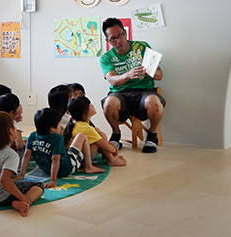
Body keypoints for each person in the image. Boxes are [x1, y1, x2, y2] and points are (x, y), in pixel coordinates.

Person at [99, 17, 164, 153]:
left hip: (145, 91)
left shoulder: (143, 47)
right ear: (107, 41)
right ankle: (116, 135)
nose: (118, 40)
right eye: (113, 38)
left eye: (120, 35)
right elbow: (112, 80)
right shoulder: (106, 57)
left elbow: (159, 75)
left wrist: (150, 72)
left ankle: (152, 136)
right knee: (109, 104)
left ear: (125, 33)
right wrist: (127, 75)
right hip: (120, 93)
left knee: (154, 102)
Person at [0, 112, 44, 216]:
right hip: (0, 198)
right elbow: (4, 179)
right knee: (38, 186)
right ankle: (24, 201)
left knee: (14, 183)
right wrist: (22, 196)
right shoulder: (11, 154)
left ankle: (19, 201)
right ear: (11, 132)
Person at [22, 108, 103, 189]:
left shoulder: (32, 135)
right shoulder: (57, 138)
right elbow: (55, 159)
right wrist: (53, 180)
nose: (59, 127)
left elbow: (26, 155)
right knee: (81, 136)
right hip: (67, 168)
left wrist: (22, 175)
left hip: (46, 169)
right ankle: (89, 166)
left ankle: (88, 166)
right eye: (59, 124)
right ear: (52, 128)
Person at [65, 96, 126, 167]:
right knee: (100, 137)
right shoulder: (86, 128)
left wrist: (110, 145)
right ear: (85, 113)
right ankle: (111, 160)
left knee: (98, 132)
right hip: (80, 162)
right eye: (90, 105)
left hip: (75, 157)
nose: (93, 105)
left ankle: (108, 157)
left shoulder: (77, 123)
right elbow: (107, 147)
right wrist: (115, 150)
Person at [0, 93, 24, 157]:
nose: (20, 106)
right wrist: (24, 144)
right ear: (12, 112)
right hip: (11, 156)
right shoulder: (15, 125)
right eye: (18, 105)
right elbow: (19, 146)